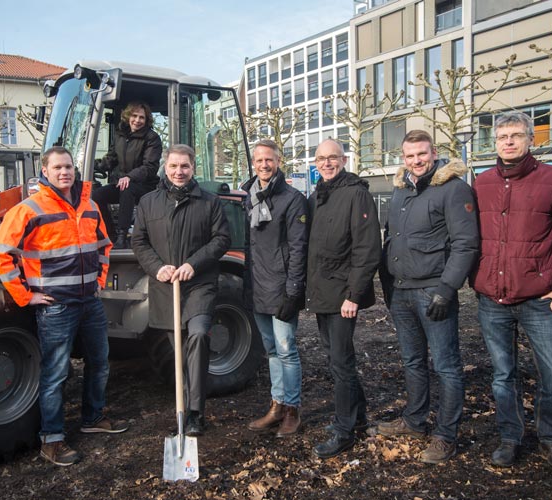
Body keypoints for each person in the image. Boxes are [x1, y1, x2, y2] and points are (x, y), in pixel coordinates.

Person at [0, 146, 128, 467]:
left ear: (74, 171)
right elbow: (0, 254)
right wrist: (26, 296)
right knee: (55, 374)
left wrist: (98, 281)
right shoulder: (29, 208)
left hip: (89, 301)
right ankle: (51, 440)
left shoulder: (90, 206)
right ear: (46, 172)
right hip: (56, 306)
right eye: (58, 168)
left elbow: (104, 246)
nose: (64, 172)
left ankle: (93, 417)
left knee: (100, 362)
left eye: (68, 167)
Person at [472, 111, 552, 469]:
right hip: (493, 297)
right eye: (502, 136)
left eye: (516, 135)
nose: (508, 142)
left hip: (540, 298)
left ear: (531, 140)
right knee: (502, 375)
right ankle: (510, 437)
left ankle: (551, 438)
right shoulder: (481, 183)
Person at [377, 130, 479, 464]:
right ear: (402, 157)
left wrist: (446, 289)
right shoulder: (401, 190)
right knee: (412, 361)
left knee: (447, 365)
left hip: (433, 290)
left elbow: (466, 243)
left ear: (434, 153)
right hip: (402, 291)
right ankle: (415, 420)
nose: (416, 161)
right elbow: (393, 238)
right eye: (410, 156)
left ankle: (446, 435)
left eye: (422, 154)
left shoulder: (453, 189)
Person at [131, 144, 231, 436]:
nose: (179, 172)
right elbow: (140, 242)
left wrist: (193, 264)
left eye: (184, 166)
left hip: (199, 285)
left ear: (193, 168)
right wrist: (157, 267)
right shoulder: (149, 203)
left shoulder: (209, 203)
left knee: (198, 335)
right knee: (180, 354)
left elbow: (222, 239)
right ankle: (184, 409)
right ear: (165, 166)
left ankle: (197, 413)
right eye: (174, 166)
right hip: (166, 289)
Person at [306, 139, 381, 459]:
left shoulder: (356, 193)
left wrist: (354, 295)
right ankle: (358, 417)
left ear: (344, 159)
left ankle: (344, 430)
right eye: (321, 159)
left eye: (332, 158)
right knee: (336, 358)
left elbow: (367, 248)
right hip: (323, 291)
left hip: (342, 295)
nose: (326, 163)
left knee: (341, 362)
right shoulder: (318, 195)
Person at [242, 139, 308, 437]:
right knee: (270, 350)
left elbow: (298, 247)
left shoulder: (292, 199)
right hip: (258, 286)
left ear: (278, 162)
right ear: (253, 163)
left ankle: (292, 409)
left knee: (286, 350)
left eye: (269, 160)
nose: (264, 165)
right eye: (259, 161)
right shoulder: (249, 195)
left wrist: (293, 290)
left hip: (282, 286)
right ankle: (277, 405)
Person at [92, 101, 162, 249]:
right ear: (128, 116)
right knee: (96, 196)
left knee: (127, 188)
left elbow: (149, 167)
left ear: (146, 120)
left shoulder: (152, 138)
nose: (137, 120)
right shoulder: (120, 135)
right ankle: (111, 235)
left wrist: (130, 177)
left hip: (145, 186)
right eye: (134, 116)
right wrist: (94, 165)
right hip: (123, 183)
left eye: (141, 117)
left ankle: (122, 237)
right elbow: (111, 159)